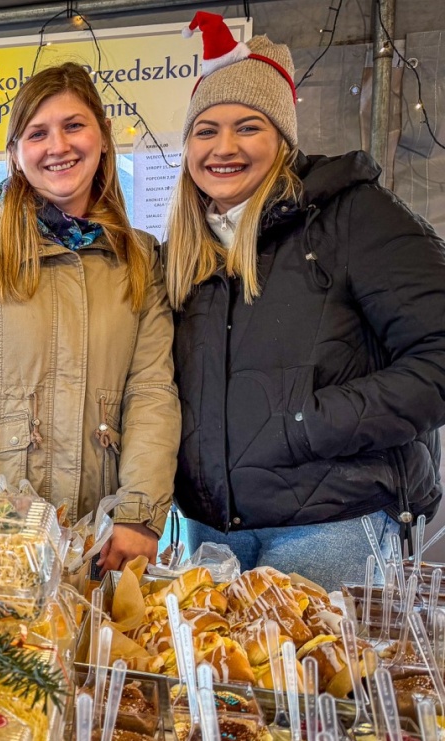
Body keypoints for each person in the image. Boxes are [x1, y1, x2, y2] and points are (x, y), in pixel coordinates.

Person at [167, 12, 445, 588]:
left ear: (284, 138)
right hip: (209, 534)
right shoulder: (185, 253)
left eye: (248, 127)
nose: (224, 148)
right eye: (205, 130)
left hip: (332, 524)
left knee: (329, 677)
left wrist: (309, 423)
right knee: (213, 680)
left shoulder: (353, 217)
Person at [0, 63, 180, 572]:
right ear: (15, 154)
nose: (58, 146)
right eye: (38, 133)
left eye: (74, 126)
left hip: (99, 532)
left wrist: (140, 511)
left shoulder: (140, 259)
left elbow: (152, 391)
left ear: (101, 136)